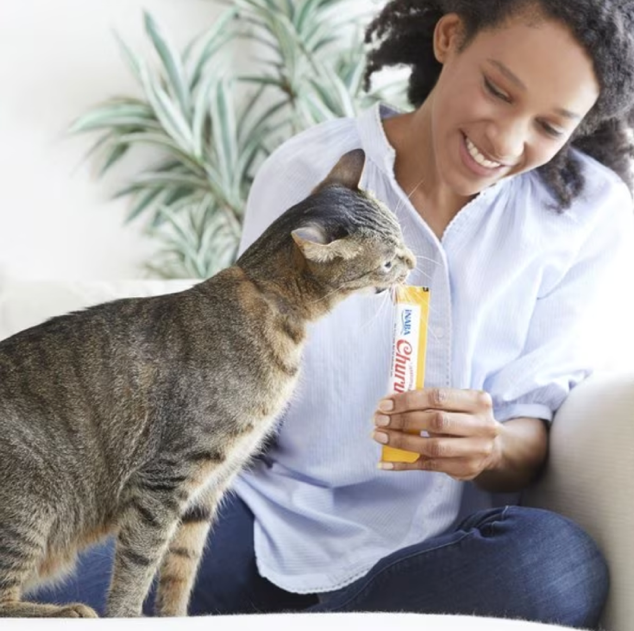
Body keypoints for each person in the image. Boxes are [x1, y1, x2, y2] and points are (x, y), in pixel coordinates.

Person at [34, 0, 634, 627]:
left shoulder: (588, 214)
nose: (506, 140)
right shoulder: (309, 172)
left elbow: (533, 432)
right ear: (450, 37)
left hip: (440, 552)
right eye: (496, 89)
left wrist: (489, 445)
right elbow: (231, 373)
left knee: (559, 568)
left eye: (550, 126)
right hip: (263, 521)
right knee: (46, 569)